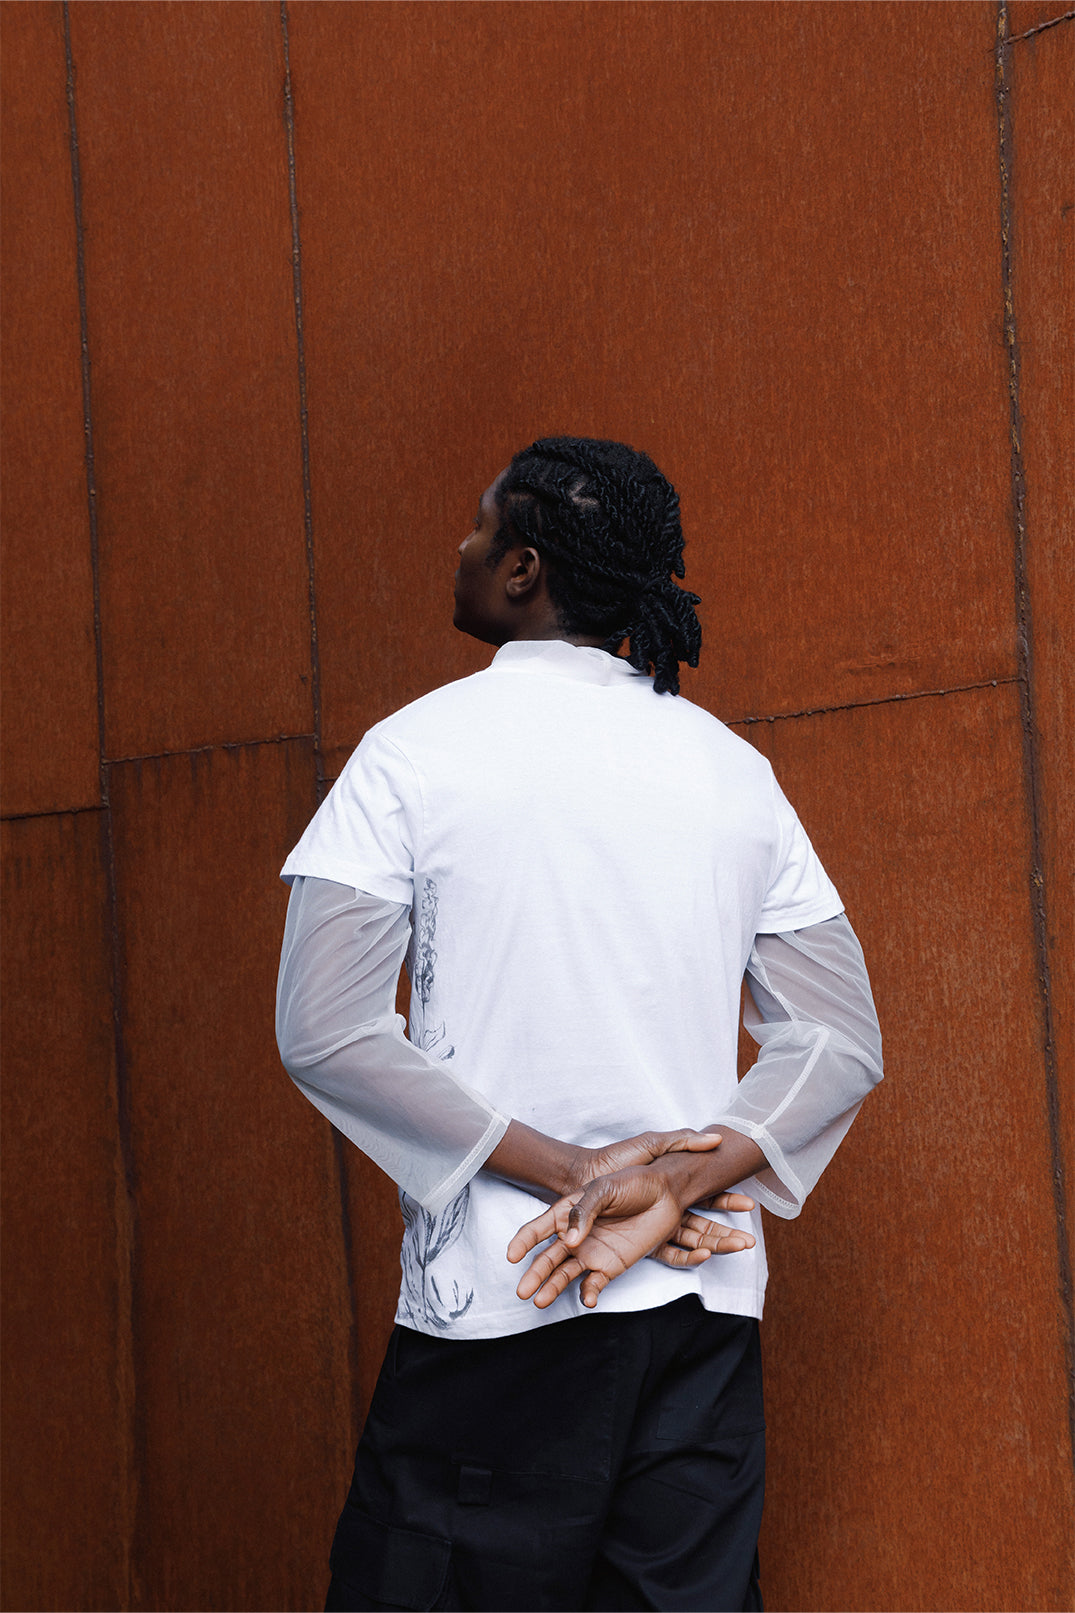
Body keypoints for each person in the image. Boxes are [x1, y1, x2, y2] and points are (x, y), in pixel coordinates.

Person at [275, 437, 883, 1612]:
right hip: (700, 1317)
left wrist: (572, 1172)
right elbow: (839, 1036)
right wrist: (676, 1182)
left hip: (508, 1300)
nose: (461, 546)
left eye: (479, 526)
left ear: (524, 568)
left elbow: (326, 1026)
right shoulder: (733, 773)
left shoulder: (410, 755)